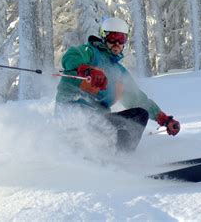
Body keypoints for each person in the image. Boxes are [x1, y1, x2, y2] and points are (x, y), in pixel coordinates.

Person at [55, 17, 180, 152]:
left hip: (99, 121)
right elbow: (71, 57)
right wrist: (87, 69)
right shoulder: (90, 52)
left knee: (138, 116)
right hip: (73, 115)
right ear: (104, 37)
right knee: (101, 128)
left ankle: (120, 162)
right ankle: (105, 160)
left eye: (121, 39)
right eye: (113, 37)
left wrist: (164, 119)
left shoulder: (119, 73)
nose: (117, 43)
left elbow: (138, 99)